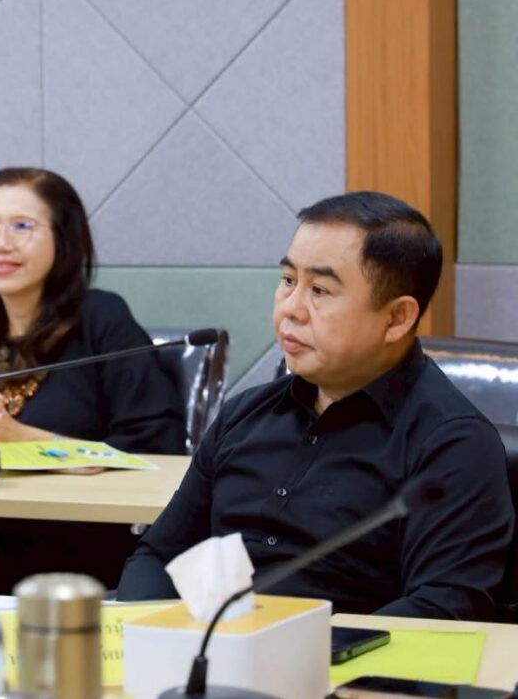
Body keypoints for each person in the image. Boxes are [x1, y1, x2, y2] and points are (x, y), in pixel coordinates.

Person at [117, 191, 513, 619]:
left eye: (320, 290)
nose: (291, 309)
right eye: (289, 281)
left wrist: (299, 649)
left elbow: (443, 606)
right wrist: (144, 633)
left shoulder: (453, 443)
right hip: (207, 647)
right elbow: (158, 555)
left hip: (344, 659)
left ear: (397, 318)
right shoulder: (243, 416)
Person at [0, 167, 185, 454]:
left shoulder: (102, 322)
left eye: (21, 226)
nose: (0, 244)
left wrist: (24, 440)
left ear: (63, 239)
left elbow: (158, 445)